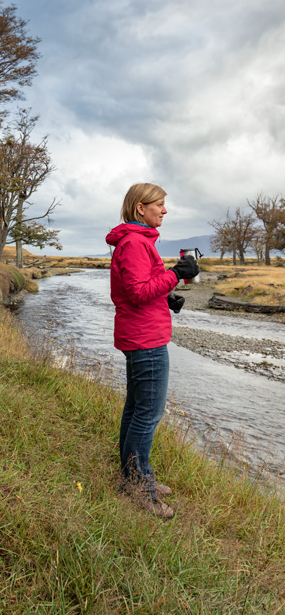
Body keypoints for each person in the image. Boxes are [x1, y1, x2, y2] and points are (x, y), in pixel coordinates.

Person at [105, 183, 199, 519]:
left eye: (163, 205)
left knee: (135, 409)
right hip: (145, 339)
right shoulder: (133, 243)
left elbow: (144, 288)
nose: (164, 210)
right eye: (159, 204)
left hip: (143, 333)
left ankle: (133, 475)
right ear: (140, 208)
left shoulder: (140, 240)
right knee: (148, 414)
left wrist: (167, 295)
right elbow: (136, 292)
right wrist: (176, 275)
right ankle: (139, 487)